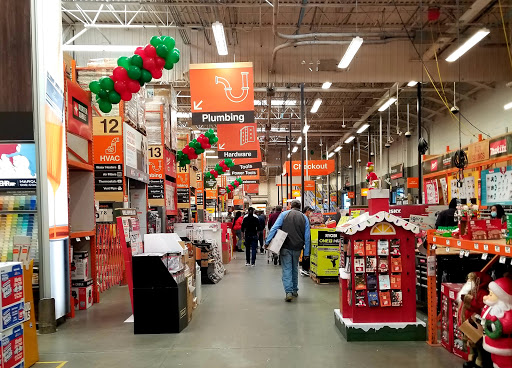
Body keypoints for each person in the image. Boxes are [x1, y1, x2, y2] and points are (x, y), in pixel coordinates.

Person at [265, 200, 311, 302]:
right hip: (298, 247)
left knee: (286, 268)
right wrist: (307, 253)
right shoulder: (304, 218)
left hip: (285, 246)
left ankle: (288, 292)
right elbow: (307, 236)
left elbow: (274, 228)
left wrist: (268, 242)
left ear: (290, 206)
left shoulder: (284, 215)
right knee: (294, 267)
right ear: (299, 207)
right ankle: (295, 290)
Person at [300, 206, 313, 277]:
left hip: (302, 238)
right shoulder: (305, 218)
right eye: (310, 211)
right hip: (305, 239)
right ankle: (305, 269)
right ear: (307, 211)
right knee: (306, 253)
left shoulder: (303, 217)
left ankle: (304, 269)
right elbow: (307, 232)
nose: (311, 213)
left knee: (305, 253)